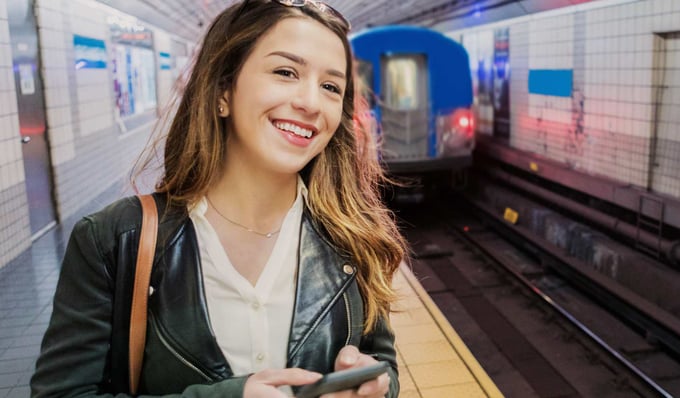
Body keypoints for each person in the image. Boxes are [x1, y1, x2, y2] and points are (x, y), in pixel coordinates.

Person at [30, 0, 408, 396]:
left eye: (331, 87)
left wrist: (378, 385)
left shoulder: (354, 236)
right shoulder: (115, 239)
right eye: (285, 72)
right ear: (222, 91)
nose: (311, 103)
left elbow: (383, 365)